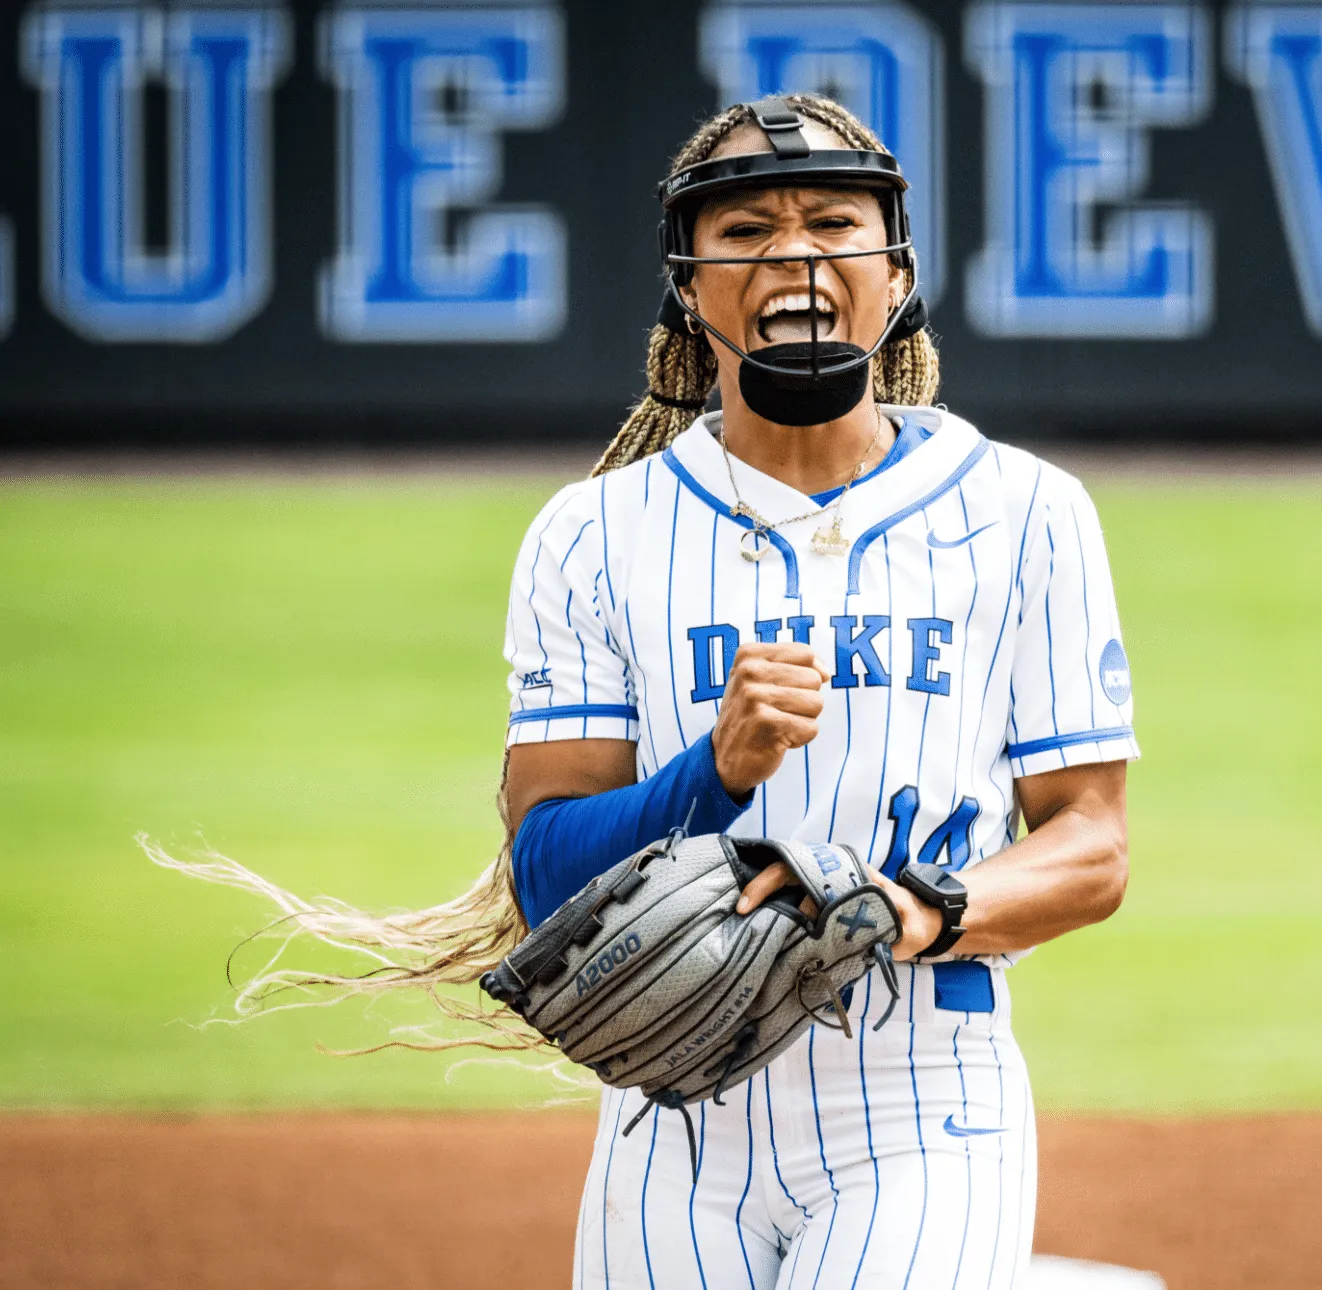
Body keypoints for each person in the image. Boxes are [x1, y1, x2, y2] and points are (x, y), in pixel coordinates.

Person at [159, 92, 1136, 1290]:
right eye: (745, 232)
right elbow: (546, 865)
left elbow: (1092, 847)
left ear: (895, 270)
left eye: (833, 221)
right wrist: (710, 774)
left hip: (925, 1099)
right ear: (687, 280)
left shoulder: (1028, 512)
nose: (793, 255)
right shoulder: (595, 534)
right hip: (669, 1115)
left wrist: (914, 905)